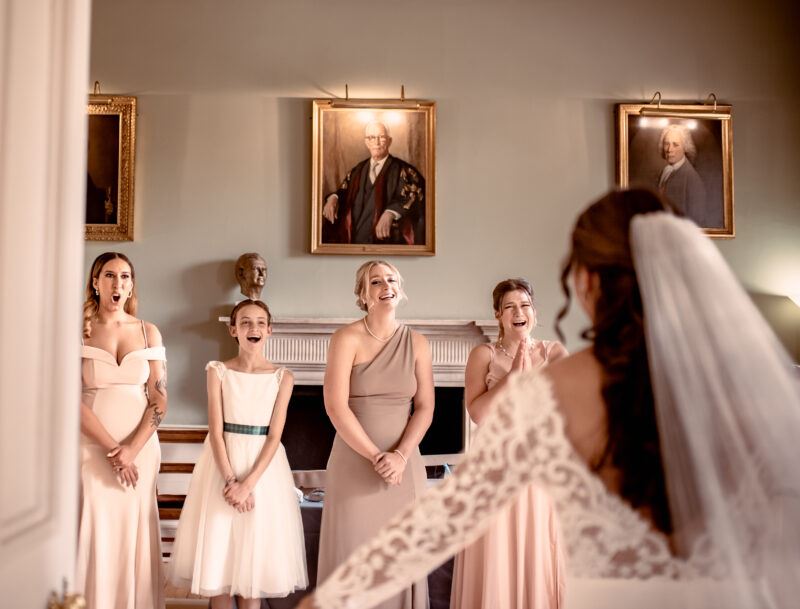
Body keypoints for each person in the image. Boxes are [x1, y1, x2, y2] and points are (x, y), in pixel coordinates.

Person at [300, 189, 800, 609]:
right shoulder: (724, 378)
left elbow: (449, 514)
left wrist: (329, 596)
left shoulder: (565, 381)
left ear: (583, 282)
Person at [169, 300, 308, 607]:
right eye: (245, 322)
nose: (253, 328)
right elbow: (215, 431)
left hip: (263, 472)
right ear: (233, 330)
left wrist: (248, 485)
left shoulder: (282, 377)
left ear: (270, 330)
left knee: (252, 568)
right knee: (219, 563)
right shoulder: (218, 371)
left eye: (260, 322)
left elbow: (274, 436)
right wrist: (231, 480)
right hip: (221, 465)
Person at [316, 260, 434, 609]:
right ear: (363, 295)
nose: (386, 285)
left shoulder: (418, 342)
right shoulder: (346, 338)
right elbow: (336, 406)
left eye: (392, 279)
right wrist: (375, 456)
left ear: (401, 289)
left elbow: (425, 407)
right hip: (354, 465)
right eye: (376, 281)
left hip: (404, 468)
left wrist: (398, 456)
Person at [451, 278, 568, 609]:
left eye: (525, 305)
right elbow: (477, 413)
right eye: (510, 307)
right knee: (497, 551)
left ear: (534, 312)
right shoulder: (483, 355)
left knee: (539, 548)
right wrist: (512, 380)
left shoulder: (554, 352)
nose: (519, 312)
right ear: (498, 315)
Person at [77, 252, 168, 609]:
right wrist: (115, 451)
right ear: (96, 282)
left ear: (132, 285)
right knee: (94, 528)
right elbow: (71, 401)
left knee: (134, 531)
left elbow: (160, 398)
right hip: (89, 448)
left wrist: (131, 450)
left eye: (126, 276)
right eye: (111, 276)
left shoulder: (148, 331)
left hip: (142, 450)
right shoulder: (77, 329)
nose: (119, 284)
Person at [322, 122, 425, 245]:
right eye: (371, 137)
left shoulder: (405, 170)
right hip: (355, 240)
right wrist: (333, 198)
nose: (376, 142)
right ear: (366, 142)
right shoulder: (358, 170)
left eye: (381, 137)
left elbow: (415, 195)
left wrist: (391, 212)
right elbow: (343, 191)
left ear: (389, 141)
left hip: (389, 241)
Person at [656, 124, 706, 223]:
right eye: (666, 143)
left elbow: (696, 221)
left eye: (675, 144)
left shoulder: (692, 179)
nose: (669, 150)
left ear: (685, 147)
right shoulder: (666, 171)